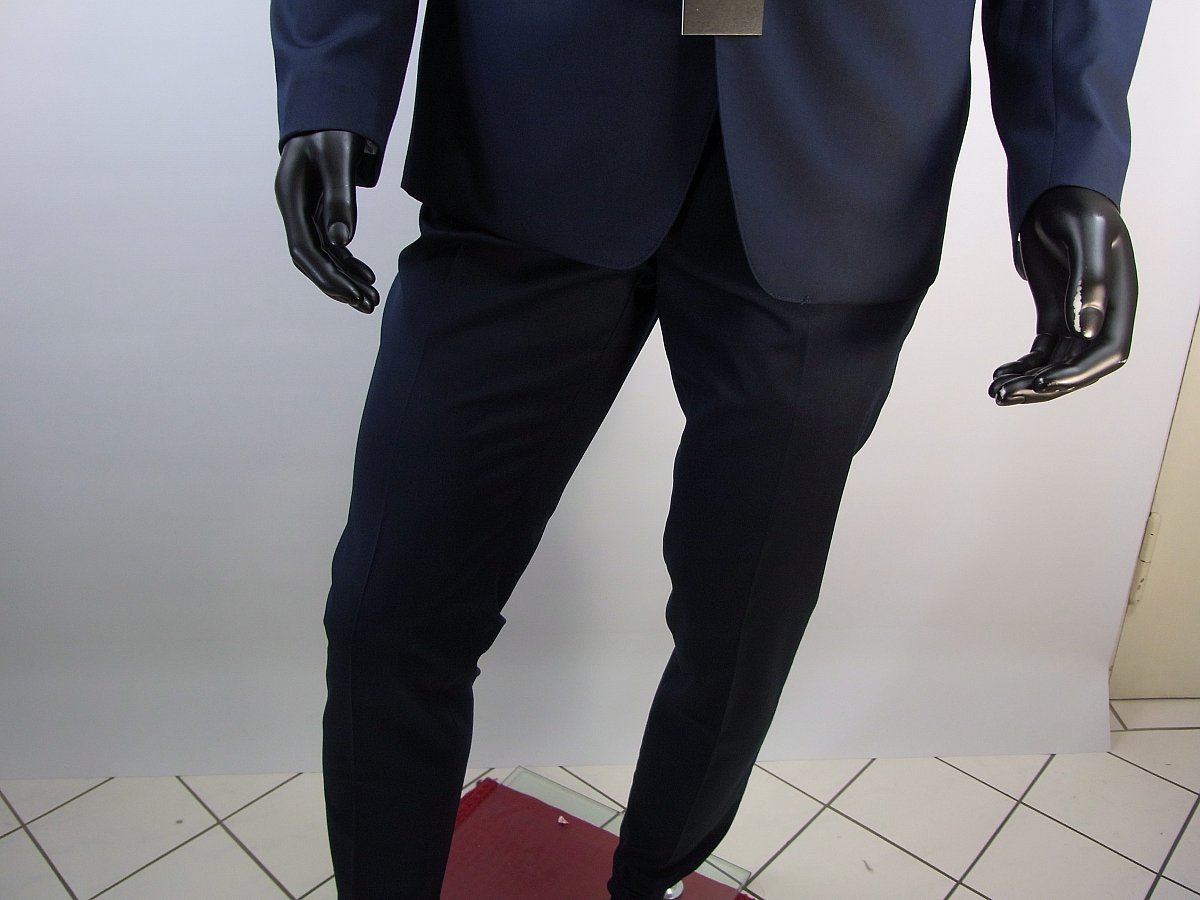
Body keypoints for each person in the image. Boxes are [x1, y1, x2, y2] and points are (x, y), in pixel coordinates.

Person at [270, 2, 1151, 897]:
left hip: (841, 149)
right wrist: (331, 84)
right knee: (391, 607)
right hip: (529, 124)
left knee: (740, 630)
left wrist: (1069, 167)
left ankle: (653, 879)